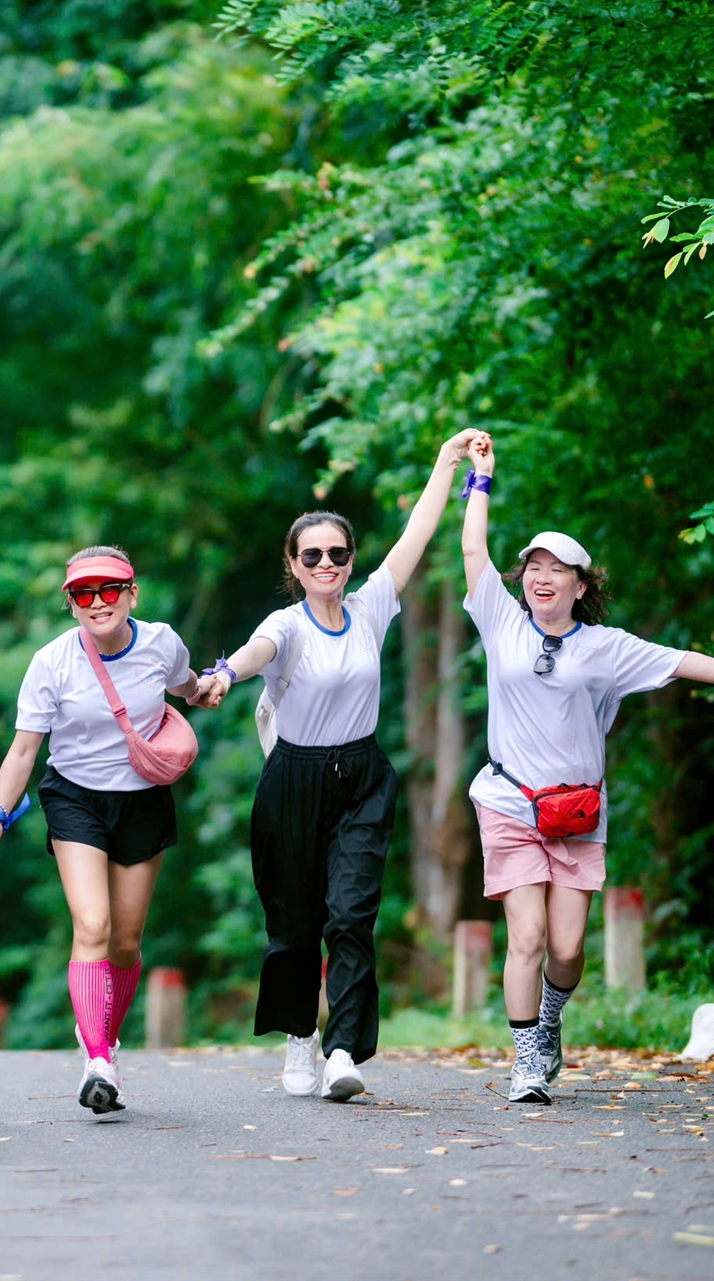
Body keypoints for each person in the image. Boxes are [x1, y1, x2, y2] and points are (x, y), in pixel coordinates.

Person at [459, 435, 714, 1102]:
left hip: (577, 811)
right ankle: (527, 1059)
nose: (540, 576)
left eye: (555, 568)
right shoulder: (500, 623)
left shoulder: (607, 649)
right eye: (532, 566)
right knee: (529, 935)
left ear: (581, 584)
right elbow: (473, 552)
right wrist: (479, 479)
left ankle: (550, 1018)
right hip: (508, 801)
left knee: (567, 948)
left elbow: (680, 660)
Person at [203, 430, 483, 1103]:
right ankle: (300, 1035)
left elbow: (418, 531)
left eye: (337, 552)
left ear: (352, 559)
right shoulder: (288, 623)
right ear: (294, 565)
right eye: (312, 555)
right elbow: (254, 650)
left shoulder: (371, 607)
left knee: (351, 914)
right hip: (292, 783)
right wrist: (221, 674)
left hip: (361, 778)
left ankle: (343, 1049)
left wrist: (448, 464)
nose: (326, 562)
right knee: (295, 924)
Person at [0, 547, 227, 1115]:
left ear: (132, 594)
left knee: (127, 941)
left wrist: (208, 687)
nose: (97, 602)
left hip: (143, 801)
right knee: (92, 923)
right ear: (71, 604)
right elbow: (23, 751)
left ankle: (104, 1040)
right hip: (75, 800)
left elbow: (185, 683)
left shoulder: (161, 642)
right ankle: (97, 1060)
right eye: (83, 593)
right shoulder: (51, 662)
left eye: (109, 590)